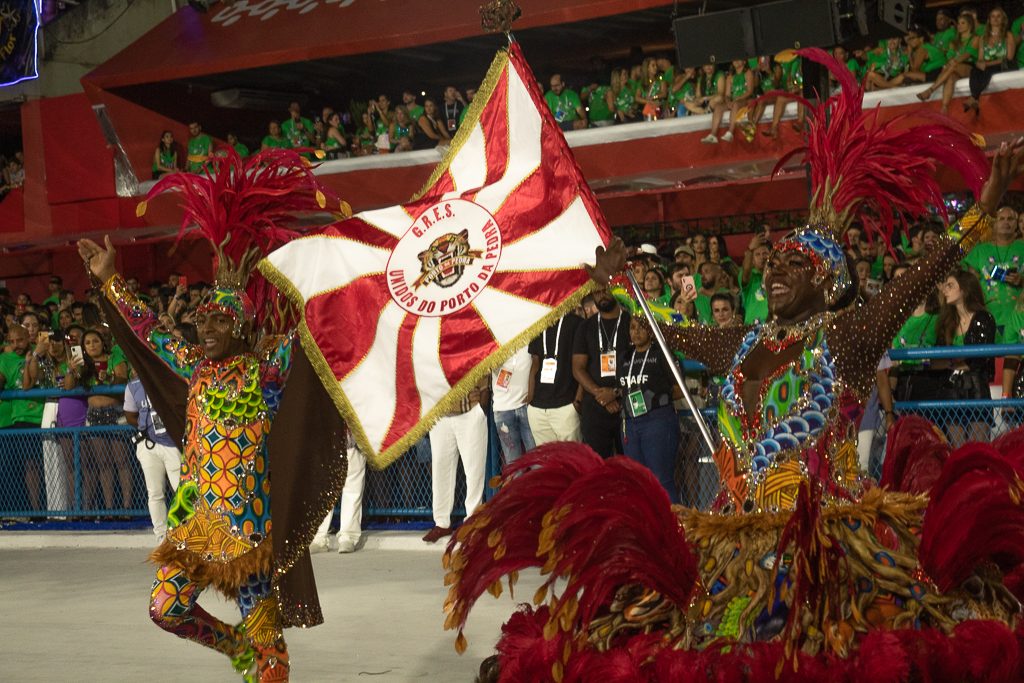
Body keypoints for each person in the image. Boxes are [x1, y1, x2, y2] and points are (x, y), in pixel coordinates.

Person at [445, 49, 1024, 680]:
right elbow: (669, 332)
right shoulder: (742, 342)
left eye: (793, 264)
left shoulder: (849, 334)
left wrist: (976, 216)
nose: (774, 267)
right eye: (772, 259)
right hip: (735, 543)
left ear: (828, 284)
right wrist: (616, 291)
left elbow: (917, 280)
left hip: (824, 548)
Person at [78, 148, 348, 682]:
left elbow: (311, 331)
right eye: (202, 321)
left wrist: (336, 276)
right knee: (166, 609)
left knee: (271, 651)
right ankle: (240, 652)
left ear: (243, 331)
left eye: (218, 322)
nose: (205, 329)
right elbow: (150, 330)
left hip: (251, 533)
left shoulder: (266, 370)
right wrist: (109, 281)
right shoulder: (195, 368)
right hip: (199, 526)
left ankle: (261, 657)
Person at [616, 317, 682, 503]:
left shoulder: (661, 353)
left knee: (661, 480)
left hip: (657, 420)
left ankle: (675, 527)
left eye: (641, 328)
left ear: (651, 330)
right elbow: (623, 387)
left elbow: (679, 388)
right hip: (630, 423)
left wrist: (656, 399)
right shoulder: (625, 357)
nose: (636, 332)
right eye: (632, 327)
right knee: (637, 482)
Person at [423, 377, 489, 544]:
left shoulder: (471, 348)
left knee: (474, 471)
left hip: (469, 410)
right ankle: (441, 523)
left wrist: (481, 405)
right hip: (440, 414)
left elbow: (485, 366)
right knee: (440, 470)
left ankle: (472, 522)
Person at [936, 268, 996, 446]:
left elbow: (979, 359)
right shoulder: (946, 321)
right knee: (957, 452)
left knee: (978, 450)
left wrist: (954, 362)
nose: (945, 290)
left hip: (976, 389)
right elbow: (939, 356)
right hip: (951, 390)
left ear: (964, 289)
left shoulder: (984, 318)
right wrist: (959, 362)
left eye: (950, 285)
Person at [572, 286, 630, 458]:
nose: (601, 296)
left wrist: (614, 393)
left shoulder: (631, 322)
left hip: (626, 404)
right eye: (597, 293)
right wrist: (601, 395)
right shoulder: (586, 327)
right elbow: (577, 368)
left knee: (630, 467)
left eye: (605, 291)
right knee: (597, 467)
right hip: (595, 407)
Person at [124, 374, 181, 543]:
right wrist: (147, 429)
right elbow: (129, 415)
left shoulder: (170, 380)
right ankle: (162, 538)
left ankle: (186, 533)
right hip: (148, 444)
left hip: (173, 443)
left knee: (182, 490)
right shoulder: (133, 386)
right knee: (155, 493)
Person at [962, 205, 1023, 337]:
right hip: (988, 317)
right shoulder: (980, 251)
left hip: (1019, 318)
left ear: (1016, 224)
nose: (1006, 222)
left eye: (1010, 219)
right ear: (994, 224)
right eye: (1001, 219)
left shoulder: (1022, 247)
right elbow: (971, 285)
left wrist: (1022, 280)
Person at [527, 314, 583, 445]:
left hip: (565, 406)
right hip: (538, 408)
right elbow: (535, 362)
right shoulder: (538, 323)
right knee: (546, 463)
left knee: (573, 461)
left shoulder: (576, 322)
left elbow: (584, 363)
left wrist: (578, 401)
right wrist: (531, 399)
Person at [310, 438, 365, 554]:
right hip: (328, 439)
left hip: (352, 438)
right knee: (324, 487)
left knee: (352, 484)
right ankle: (319, 537)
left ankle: (348, 537)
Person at [916, 12, 978, 114]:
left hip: (969, 66)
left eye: (963, 23)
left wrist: (953, 61)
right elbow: (949, 57)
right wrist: (951, 62)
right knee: (950, 78)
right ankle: (944, 108)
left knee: (952, 66)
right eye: (958, 23)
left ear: (970, 25)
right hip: (954, 67)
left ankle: (930, 90)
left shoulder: (975, 39)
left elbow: (967, 55)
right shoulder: (954, 42)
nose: (959, 26)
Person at [964, 6, 1017, 114]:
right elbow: (980, 58)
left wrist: (987, 64)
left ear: (1003, 19)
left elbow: (1009, 57)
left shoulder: (1008, 35)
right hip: (989, 65)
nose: (995, 19)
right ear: (989, 20)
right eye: (993, 16)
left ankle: (974, 97)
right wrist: (979, 64)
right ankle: (974, 99)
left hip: (1005, 64)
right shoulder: (983, 38)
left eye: (998, 16)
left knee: (988, 70)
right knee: (974, 70)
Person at [490, 345, 534, 466]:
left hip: (527, 406)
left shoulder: (530, 335)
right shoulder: (496, 340)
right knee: (513, 466)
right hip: (502, 410)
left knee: (537, 462)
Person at [702, 58, 755, 144]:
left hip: (745, 100)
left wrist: (736, 99)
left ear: (744, 62)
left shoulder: (748, 73)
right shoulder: (730, 76)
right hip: (733, 101)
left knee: (736, 104)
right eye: (734, 59)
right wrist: (728, 102)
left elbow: (750, 91)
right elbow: (727, 95)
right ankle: (713, 135)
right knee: (719, 107)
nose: (736, 61)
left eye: (738, 59)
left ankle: (730, 132)